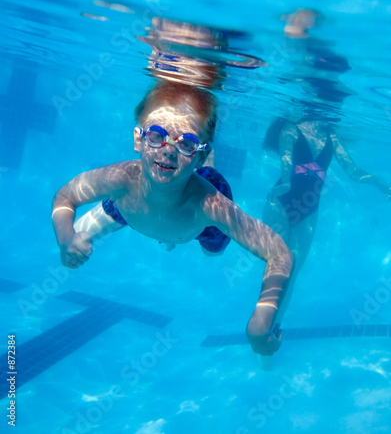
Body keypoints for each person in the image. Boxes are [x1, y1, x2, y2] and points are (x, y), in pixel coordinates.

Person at [52, 81, 294, 356]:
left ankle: (204, 163)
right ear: (138, 140)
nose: (168, 150)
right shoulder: (119, 180)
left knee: (212, 253)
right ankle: (191, 149)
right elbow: (64, 197)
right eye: (156, 136)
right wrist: (65, 238)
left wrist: (260, 323)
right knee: (78, 234)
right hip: (132, 204)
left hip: (195, 222)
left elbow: (279, 252)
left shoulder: (211, 206)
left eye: (186, 144)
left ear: (198, 156)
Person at [262, 116, 391, 320]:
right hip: (280, 202)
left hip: (309, 210)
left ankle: (272, 324)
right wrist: (285, 183)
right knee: (276, 268)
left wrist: (380, 183)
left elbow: (353, 171)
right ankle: (261, 323)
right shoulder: (290, 128)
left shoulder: (332, 137)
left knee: (292, 272)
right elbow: (285, 161)